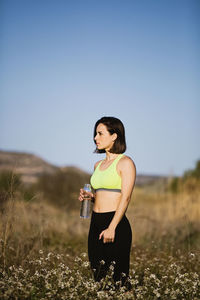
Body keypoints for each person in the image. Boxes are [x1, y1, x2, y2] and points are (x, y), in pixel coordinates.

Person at [79, 116, 136, 289]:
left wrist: (112, 227)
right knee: (99, 276)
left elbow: (125, 198)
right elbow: (103, 195)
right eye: (95, 134)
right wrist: (90, 196)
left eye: (100, 133)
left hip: (115, 223)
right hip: (95, 222)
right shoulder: (98, 165)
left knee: (119, 278)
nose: (95, 138)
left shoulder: (126, 163)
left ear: (114, 136)